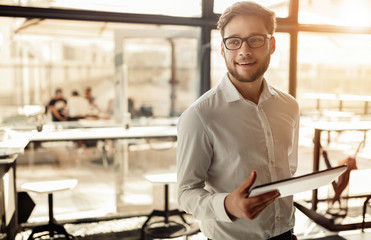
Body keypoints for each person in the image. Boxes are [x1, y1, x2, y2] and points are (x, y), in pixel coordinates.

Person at [176, 1, 300, 239]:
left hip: (287, 234)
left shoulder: (289, 106)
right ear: (223, 49)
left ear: (271, 44)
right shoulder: (199, 116)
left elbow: (288, 168)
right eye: (233, 42)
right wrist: (227, 205)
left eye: (255, 39)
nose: (244, 51)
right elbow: (185, 193)